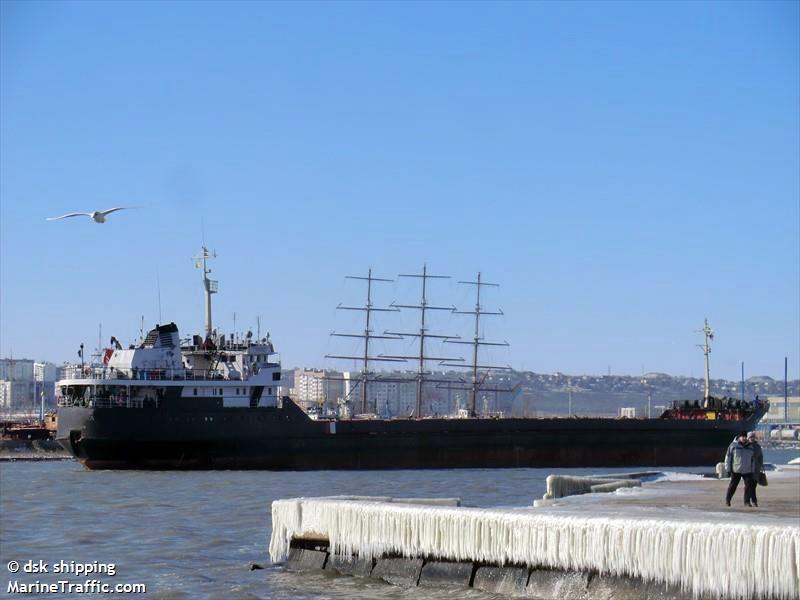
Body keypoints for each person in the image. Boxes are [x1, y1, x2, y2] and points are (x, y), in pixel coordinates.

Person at [724, 432, 756, 507]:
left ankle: (747, 502)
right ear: (739, 437)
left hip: (747, 470)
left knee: (748, 486)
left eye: (745, 437)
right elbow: (728, 458)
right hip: (736, 470)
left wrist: (752, 470)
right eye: (742, 437)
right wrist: (728, 469)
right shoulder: (733, 446)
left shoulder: (750, 447)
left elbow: (753, 460)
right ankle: (728, 500)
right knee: (733, 486)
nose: (744, 438)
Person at [747, 431, 764, 507]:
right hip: (747, 469)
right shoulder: (746, 446)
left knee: (753, 486)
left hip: (756, 469)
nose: (752, 439)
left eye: (753, 437)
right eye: (750, 437)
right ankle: (748, 501)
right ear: (748, 438)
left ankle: (753, 501)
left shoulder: (757, 446)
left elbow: (760, 457)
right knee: (748, 486)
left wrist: (760, 466)